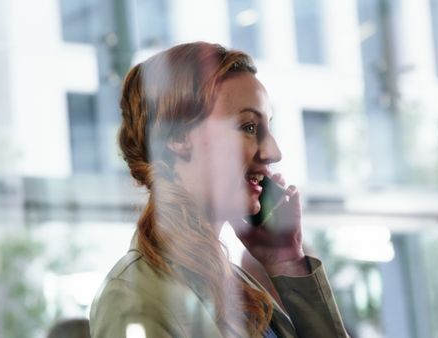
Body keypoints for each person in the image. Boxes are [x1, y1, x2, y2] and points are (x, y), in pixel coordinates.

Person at [88, 42, 348, 338]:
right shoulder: (133, 299)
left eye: (267, 128)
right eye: (249, 127)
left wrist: (287, 261)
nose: (273, 152)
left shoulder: (236, 285)